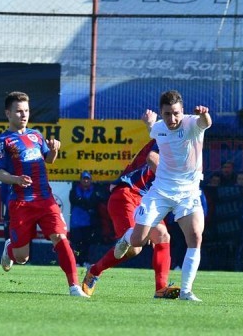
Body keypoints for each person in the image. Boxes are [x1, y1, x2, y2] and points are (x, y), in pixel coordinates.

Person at [113, 90, 211, 302]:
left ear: (182, 111)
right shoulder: (159, 127)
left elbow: (206, 123)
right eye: (167, 114)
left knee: (195, 236)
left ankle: (186, 291)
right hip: (160, 192)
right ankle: (125, 238)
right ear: (161, 113)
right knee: (138, 240)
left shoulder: (192, 124)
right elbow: (153, 130)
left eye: (175, 113)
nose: (172, 119)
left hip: (188, 192)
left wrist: (204, 114)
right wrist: (149, 123)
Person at [0, 91, 88, 297]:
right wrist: (16, 179)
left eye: (26, 110)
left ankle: (74, 287)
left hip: (45, 199)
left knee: (60, 237)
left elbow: (49, 160)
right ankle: (10, 249)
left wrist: (54, 150)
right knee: (22, 257)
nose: (24, 115)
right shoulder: (2, 141)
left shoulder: (36, 135)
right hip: (21, 202)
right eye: (18, 111)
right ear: (7, 113)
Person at [81, 138, 178, 299]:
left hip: (147, 199)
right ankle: (94, 271)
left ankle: (160, 289)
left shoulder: (184, 150)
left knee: (162, 235)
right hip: (126, 193)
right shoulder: (166, 136)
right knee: (134, 248)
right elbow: (152, 158)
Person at [69, 171, 99, 267]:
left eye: (87, 179)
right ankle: (77, 261)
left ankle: (85, 261)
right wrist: (85, 203)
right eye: (84, 178)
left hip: (88, 222)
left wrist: (82, 201)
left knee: (87, 244)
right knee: (76, 243)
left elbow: (94, 203)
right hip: (76, 222)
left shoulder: (94, 190)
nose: (85, 180)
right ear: (80, 180)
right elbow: (73, 200)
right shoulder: (74, 189)